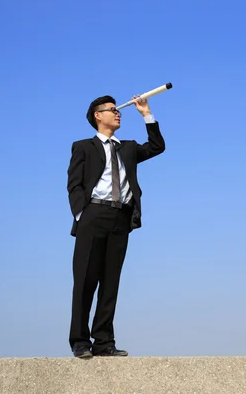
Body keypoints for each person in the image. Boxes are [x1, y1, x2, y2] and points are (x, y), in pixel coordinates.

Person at [66, 93, 165, 358]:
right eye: (112, 109)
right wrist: (81, 215)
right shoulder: (83, 146)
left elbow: (157, 147)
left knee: (111, 282)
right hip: (93, 215)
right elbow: (74, 184)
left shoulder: (128, 148)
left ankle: (103, 342)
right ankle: (80, 341)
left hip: (121, 218)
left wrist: (146, 114)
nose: (117, 112)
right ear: (98, 116)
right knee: (86, 280)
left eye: (118, 109)